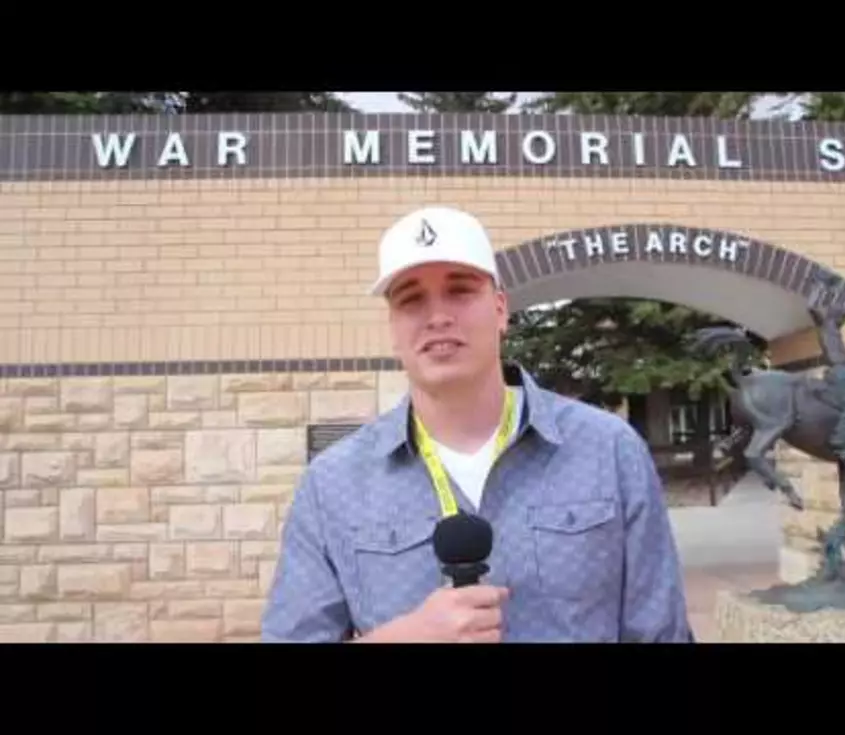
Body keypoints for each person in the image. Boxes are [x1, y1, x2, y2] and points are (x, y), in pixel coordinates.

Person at [260, 205, 693, 643]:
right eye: (411, 299)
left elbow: (662, 633)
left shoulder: (609, 451)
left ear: (501, 309)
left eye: (460, 290)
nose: (437, 316)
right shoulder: (332, 486)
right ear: (393, 327)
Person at [806, 273, 845, 465]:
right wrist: (821, 286)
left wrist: (834, 289)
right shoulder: (827, 327)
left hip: (840, 370)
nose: (843, 317)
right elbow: (814, 307)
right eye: (840, 315)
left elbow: (840, 312)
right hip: (839, 371)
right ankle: (842, 442)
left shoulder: (831, 328)